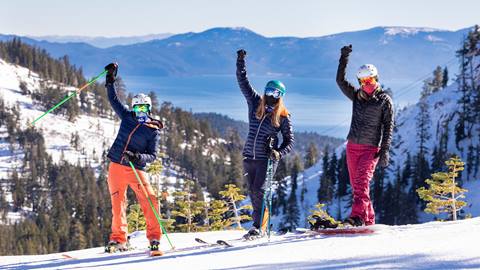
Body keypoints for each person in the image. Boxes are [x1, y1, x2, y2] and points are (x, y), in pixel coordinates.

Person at [103, 63, 164, 254]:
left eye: (144, 108)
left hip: (135, 169)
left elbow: (152, 155)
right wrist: (110, 79)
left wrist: (137, 156)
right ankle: (118, 240)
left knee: (150, 201)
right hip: (116, 166)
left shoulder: (152, 130)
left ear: (149, 108)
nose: (140, 111)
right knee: (117, 204)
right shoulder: (127, 117)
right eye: (137, 108)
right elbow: (113, 99)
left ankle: (154, 237)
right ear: (133, 108)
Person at [236, 49, 294, 237]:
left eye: (275, 92)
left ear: (280, 96)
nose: (270, 95)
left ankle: (258, 227)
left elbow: (289, 140)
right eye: (268, 91)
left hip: (266, 159)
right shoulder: (255, 104)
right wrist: (241, 62)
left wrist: (278, 152)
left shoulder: (283, 116)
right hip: (249, 157)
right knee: (253, 192)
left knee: (259, 191)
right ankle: (260, 225)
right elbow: (243, 83)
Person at [336, 45, 394, 226]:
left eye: (369, 78)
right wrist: (344, 58)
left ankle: (356, 217)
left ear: (376, 78)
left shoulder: (384, 100)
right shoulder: (357, 96)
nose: (366, 83)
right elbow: (340, 81)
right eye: (362, 80)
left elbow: (388, 126)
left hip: (371, 149)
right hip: (353, 147)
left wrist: (384, 150)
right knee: (358, 188)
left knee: (361, 183)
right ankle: (368, 221)